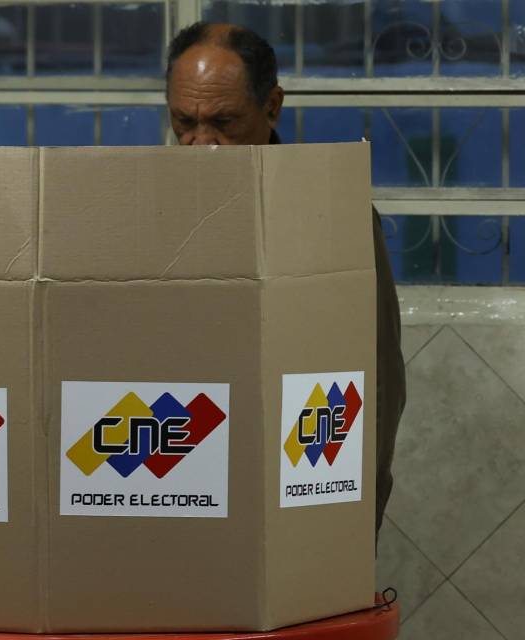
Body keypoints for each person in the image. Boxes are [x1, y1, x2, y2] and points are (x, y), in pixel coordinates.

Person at [166, 22, 406, 537]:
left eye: (224, 122)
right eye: (183, 122)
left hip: (284, 488)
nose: (202, 143)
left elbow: (378, 379)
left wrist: (353, 520)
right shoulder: (150, 207)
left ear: (272, 106)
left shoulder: (329, 213)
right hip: (174, 478)